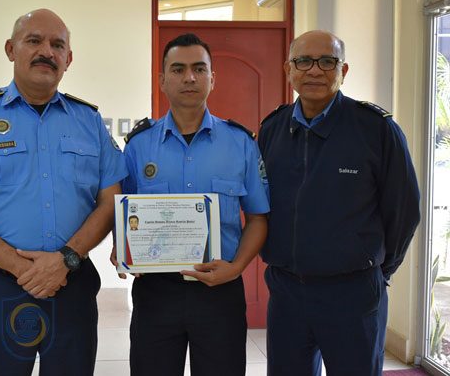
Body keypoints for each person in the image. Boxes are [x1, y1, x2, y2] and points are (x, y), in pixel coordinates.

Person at [0, 8, 127, 376]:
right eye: (34, 40)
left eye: (57, 45)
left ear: (69, 58)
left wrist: (65, 260)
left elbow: (111, 201)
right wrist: (24, 269)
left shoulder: (88, 121)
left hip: (72, 284)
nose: (46, 51)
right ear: (10, 49)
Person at [258, 30, 420, 376]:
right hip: (287, 292)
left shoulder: (376, 129)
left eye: (327, 62)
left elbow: (404, 210)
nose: (315, 70)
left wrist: (378, 269)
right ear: (289, 70)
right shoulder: (272, 129)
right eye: (304, 61)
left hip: (353, 293)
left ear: (343, 70)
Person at [112, 33, 269, 376]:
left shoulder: (241, 143)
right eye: (178, 69)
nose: (189, 78)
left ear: (212, 78)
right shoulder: (139, 146)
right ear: (162, 80)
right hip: (156, 292)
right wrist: (121, 248)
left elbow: (258, 218)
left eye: (199, 69)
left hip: (220, 289)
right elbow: (123, 214)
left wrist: (237, 267)